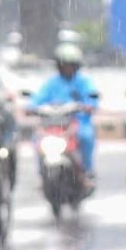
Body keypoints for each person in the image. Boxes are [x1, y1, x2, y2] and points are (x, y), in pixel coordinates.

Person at [26, 38, 100, 180]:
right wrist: (30, 107)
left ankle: (86, 171)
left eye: (71, 65)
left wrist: (88, 106)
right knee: (38, 139)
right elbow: (39, 98)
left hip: (77, 123)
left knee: (86, 137)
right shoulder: (52, 83)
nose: (68, 68)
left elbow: (91, 97)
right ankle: (42, 173)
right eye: (64, 65)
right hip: (54, 124)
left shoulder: (83, 82)